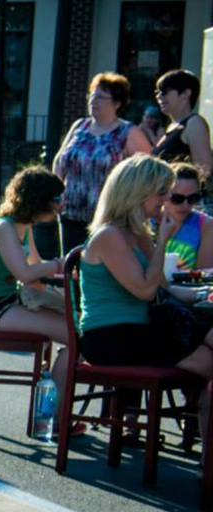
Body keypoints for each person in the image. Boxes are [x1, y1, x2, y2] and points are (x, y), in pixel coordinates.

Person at [76, 154, 213, 378]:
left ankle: (201, 409)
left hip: (141, 330)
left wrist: (204, 293)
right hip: (109, 336)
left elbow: (164, 288)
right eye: (162, 192)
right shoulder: (110, 234)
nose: (166, 198)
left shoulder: (139, 234)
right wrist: (163, 240)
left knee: (207, 348)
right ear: (137, 193)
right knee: (207, 360)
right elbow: (146, 291)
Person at [0, 168, 72, 392]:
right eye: (57, 199)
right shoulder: (4, 228)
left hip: (3, 303)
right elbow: (26, 274)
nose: (61, 205)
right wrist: (61, 265)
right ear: (39, 200)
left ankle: (54, 413)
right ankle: (54, 418)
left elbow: (35, 268)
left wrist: (64, 274)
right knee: (75, 337)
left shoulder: (23, 227)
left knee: (75, 332)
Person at [51, 71, 147, 254]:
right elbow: (59, 161)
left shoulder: (128, 132)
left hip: (107, 217)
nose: (93, 101)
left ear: (117, 103)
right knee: (72, 264)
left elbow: (146, 172)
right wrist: (55, 196)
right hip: (71, 212)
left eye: (101, 97)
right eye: (92, 95)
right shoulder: (80, 126)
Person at [152, 69, 212, 181]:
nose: (159, 96)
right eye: (157, 92)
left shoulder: (194, 123)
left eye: (165, 91)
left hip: (182, 197)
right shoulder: (172, 126)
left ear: (186, 94)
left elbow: (204, 170)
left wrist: (184, 196)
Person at [161, 161, 205, 272]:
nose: (186, 205)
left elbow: (205, 275)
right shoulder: (146, 223)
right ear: (163, 194)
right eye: (177, 198)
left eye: (192, 199)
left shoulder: (206, 225)